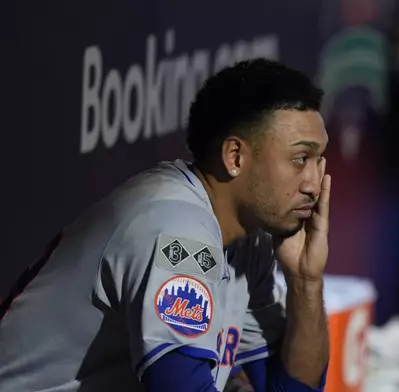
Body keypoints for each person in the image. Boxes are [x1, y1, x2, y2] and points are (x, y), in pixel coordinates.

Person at [0, 58, 331, 392]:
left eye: (320, 161)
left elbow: (288, 388)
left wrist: (306, 281)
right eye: (300, 159)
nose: (313, 185)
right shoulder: (176, 227)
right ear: (235, 157)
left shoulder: (250, 240)